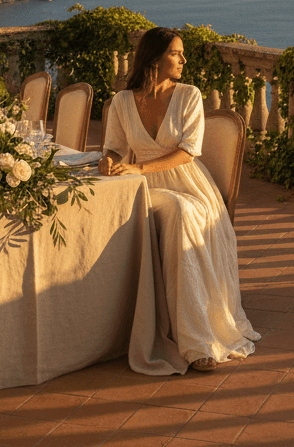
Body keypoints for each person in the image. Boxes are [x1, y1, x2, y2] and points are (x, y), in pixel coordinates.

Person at [99, 27, 259, 372]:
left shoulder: (189, 95)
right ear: (154, 58)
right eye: (176, 53)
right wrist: (108, 162)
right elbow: (113, 147)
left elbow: (187, 152)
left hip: (188, 188)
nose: (184, 60)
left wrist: (139, 167)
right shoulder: (122, 102)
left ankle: (196, 338)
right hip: (138, 184)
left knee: (180, 211)